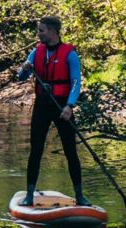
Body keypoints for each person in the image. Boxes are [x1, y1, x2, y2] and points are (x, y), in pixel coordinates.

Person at [17, 16, 84, 207]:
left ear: (53, 32)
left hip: (62, 106)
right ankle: (30, 194)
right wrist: (23, 69)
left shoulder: (69, 54)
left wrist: (69, 106)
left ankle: (80, 196)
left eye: (41, 30)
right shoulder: (35, 52)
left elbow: (76, 82)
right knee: (36, 150)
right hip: (41, 107)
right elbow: (21, 77)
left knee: (71, 151)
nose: (38, 33)